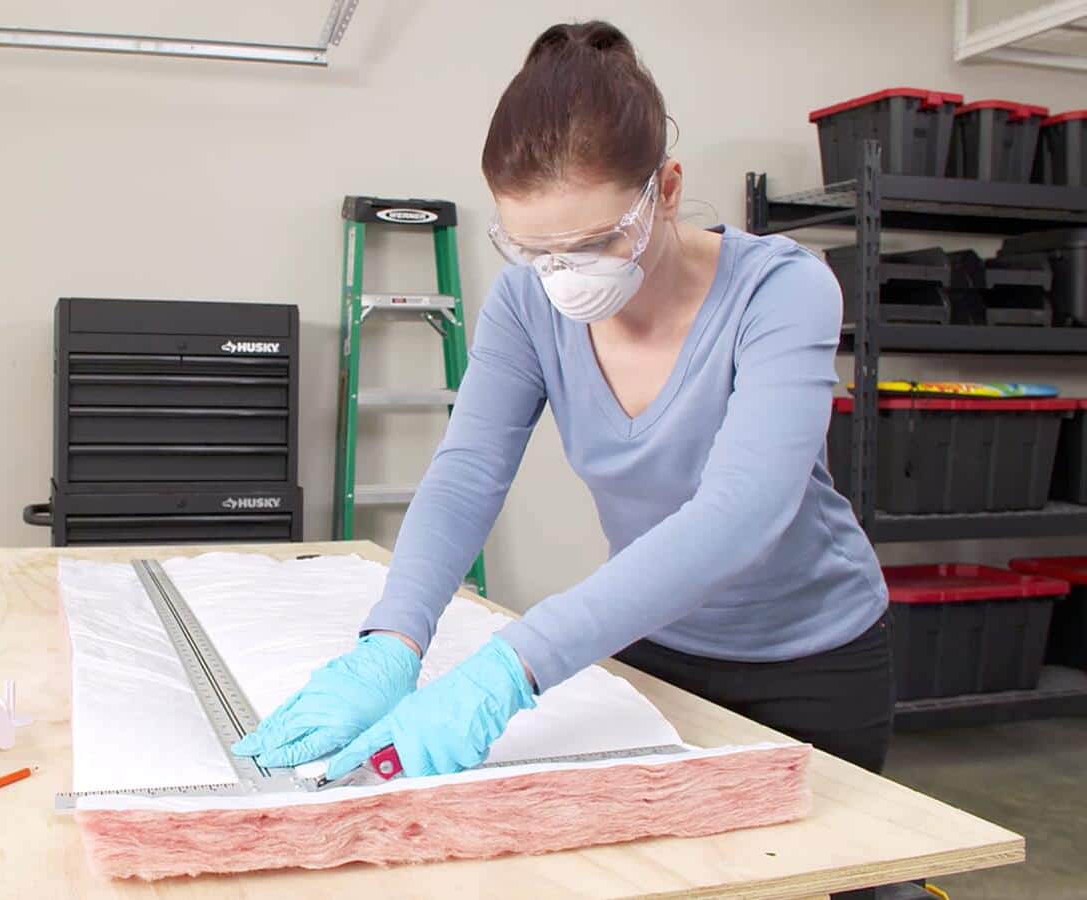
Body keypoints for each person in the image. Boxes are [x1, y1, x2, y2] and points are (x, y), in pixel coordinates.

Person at [232, 20, 892, 784]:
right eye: (535, 250)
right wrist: (392, 639)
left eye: (595, 243)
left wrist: (511, 667)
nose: (566, 274)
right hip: (653, 647)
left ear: (666, 191)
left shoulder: (782, 290)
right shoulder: (527, 301)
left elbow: (740, 512)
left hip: (814, 662)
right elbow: (467, 473)